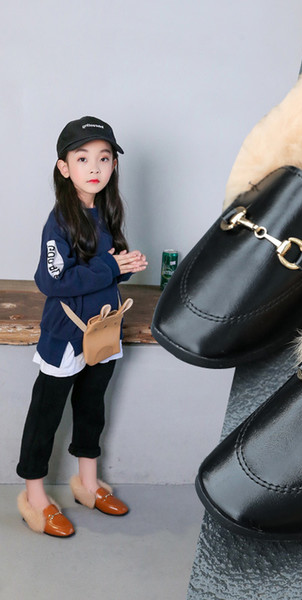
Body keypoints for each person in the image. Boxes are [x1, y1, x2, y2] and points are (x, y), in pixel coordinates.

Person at [16, 116, 148, 537]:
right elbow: (52, 281)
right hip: (66, 335)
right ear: (64, 167)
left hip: (104, 330)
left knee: (92, 408)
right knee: (46, 415)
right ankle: (35, 496)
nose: (95, 167)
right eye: (83, 158)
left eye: (104, 158)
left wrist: (126, 265)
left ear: (113, 166)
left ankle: (88, 484)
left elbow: (104, 268)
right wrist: (111, 266)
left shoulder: (106, 212)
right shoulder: (59, 221)